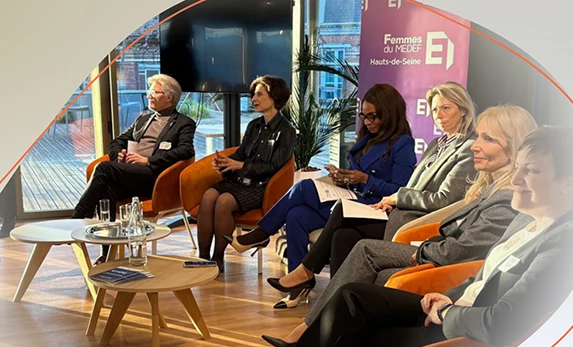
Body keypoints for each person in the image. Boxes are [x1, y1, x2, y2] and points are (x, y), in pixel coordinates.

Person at [268, 126, 573, 347]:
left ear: (570, 182)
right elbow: (482, 277)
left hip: (467, 336)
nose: (516, 179)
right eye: (520, 168)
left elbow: (502, 322)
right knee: (353, 297)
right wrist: (444, 298)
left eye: (533, 171)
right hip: (453, 309)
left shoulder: (566, 241)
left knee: (356, 340)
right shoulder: (528, 218)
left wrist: (447, 312)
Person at [263, 104, 536, 342]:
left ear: (515, 147)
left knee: (361, 245)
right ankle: (327, 326)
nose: (475, 145)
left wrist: (394, 203)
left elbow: (455, 235)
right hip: (420, 232)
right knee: (330, 229)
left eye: (487, 139)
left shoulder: (506, 196)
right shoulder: (480, 179)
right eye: (478, 137)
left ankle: (310, 322)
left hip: (433, 246)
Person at [265, 82, 478, 308]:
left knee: (331, 206)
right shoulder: (437, 144)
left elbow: (443, 200)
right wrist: (388, 200)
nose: (438, 115)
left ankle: (304, 269)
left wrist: (396, 197)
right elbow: (413, 186)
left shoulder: (467, 148)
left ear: (463, 110)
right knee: (341, 235)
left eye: (446, 108)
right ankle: (335, 305)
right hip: (394, 210)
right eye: (435, 109)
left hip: (415, 222)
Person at [226, 83, 416, 277]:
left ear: (390, 113)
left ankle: (263, 233)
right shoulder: (367, 139)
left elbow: (400, 190)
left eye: (372, 116)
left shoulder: (402, 143)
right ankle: (298, 283)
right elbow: (359, 177)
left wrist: (366, 179)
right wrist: (344, 178)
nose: (367, 121)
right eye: (363, 116)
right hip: (352, 200)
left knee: (304, 187)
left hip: (374, 209)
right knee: (296, 215)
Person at [70, 74, 196, 263]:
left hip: (155, 178)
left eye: (154, 92)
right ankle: (108, 254)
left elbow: (186, 150)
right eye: (149, 91)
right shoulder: (143, 120)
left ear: (169, 97)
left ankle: (80, 217)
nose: (149, 96)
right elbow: (116, 142)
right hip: (131, 174)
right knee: (107, 191)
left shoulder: (184, 123)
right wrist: (118, 155)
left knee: (103, 168)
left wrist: (148, 160)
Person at [196, 75, 295, 272]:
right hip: (239, 180)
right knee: (208, 196)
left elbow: (274, 166)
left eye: (259, 94)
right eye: (253, 95)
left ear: (274, 97)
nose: (253, 99)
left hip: (262, 186)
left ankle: (218, 258)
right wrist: (226, 162)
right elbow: (241, 153)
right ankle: (202, 257)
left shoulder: (287, 131)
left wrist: (240, 165)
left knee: (223, 201)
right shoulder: (254, 125)